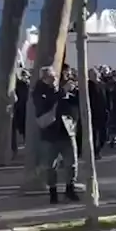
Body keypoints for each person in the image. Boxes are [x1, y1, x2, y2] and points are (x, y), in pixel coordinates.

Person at [31, 66, 80, 204]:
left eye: (55, 77)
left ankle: (70, 189)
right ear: (44, 78)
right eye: (51, 77)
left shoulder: (59, 90)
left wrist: (74, 91)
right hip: (50, 134)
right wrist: (62, 92)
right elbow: (46, 104)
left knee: (72, 163)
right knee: (50, 165)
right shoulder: (38, 92)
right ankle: (53, 192)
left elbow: (72, 103)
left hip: (66, 131)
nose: (54, 80)